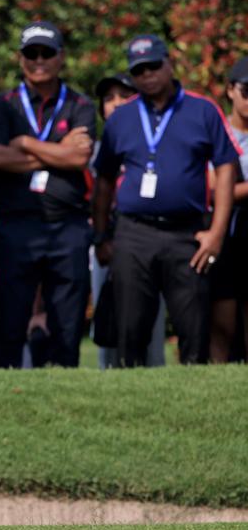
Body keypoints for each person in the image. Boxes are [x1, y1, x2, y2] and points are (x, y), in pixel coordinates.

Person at [93, 35, 238, 366]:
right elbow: (103, 180)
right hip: (133, 234)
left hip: (186, 233)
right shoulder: (121, 118)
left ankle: (191, 404)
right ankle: (131, 402)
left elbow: (226, 167)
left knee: (194, 329)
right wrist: (101, 235)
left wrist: (217, 232)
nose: (147, 75)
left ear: (169, 64)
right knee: (130, 329)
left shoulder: (202, 110)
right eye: (139, 70)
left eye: (153, 66)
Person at [0, 22, 96, 368]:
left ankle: (64, 392)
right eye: (31, 53)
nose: (39, 60)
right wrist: (56, 150)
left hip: (67, 226)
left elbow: (79, 158)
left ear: (60, 57)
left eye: (46, 53)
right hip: (17, 224)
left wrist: (27, 144)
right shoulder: (4, 105)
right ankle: (4, 393)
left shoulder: (79, 103)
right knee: (11, 322)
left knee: (66, 324)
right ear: (20, 58)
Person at [89, 73, 167, 368]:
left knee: (151, 322)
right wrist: (100, 238)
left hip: (149, 241)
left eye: (124, 96)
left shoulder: (154, 145)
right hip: (107, 246)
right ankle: (108, 387)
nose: (116, 104)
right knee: (107, 318)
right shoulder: (93, 152)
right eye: (108, 99)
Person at [209, 56, 248, 363]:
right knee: (222, 324)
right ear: (231, 90)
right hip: (224, 238)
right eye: (246, 91)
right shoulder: (215, 130)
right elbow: (210, 189)